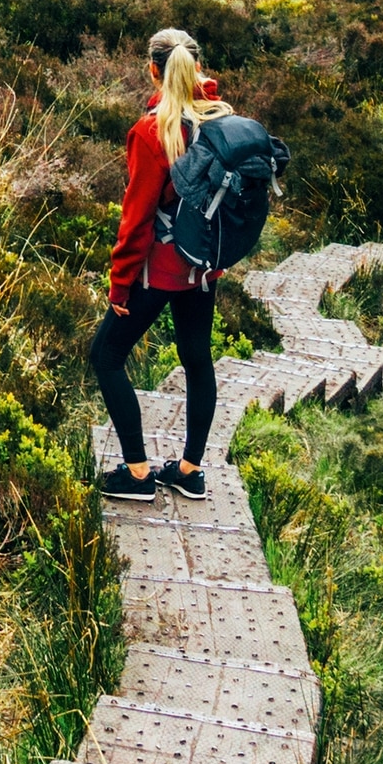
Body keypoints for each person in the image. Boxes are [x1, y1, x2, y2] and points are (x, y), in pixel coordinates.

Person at [91, 25, 232, 501]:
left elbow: (136, 223)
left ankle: (137, 474)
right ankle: (190, 470)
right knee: (197, 360)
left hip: (159, 271)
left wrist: (120, 285)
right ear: (197, 68)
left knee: (106, 356)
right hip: (204, 271)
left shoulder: (152, 133)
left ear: (153, 71)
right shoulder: (221, 120)